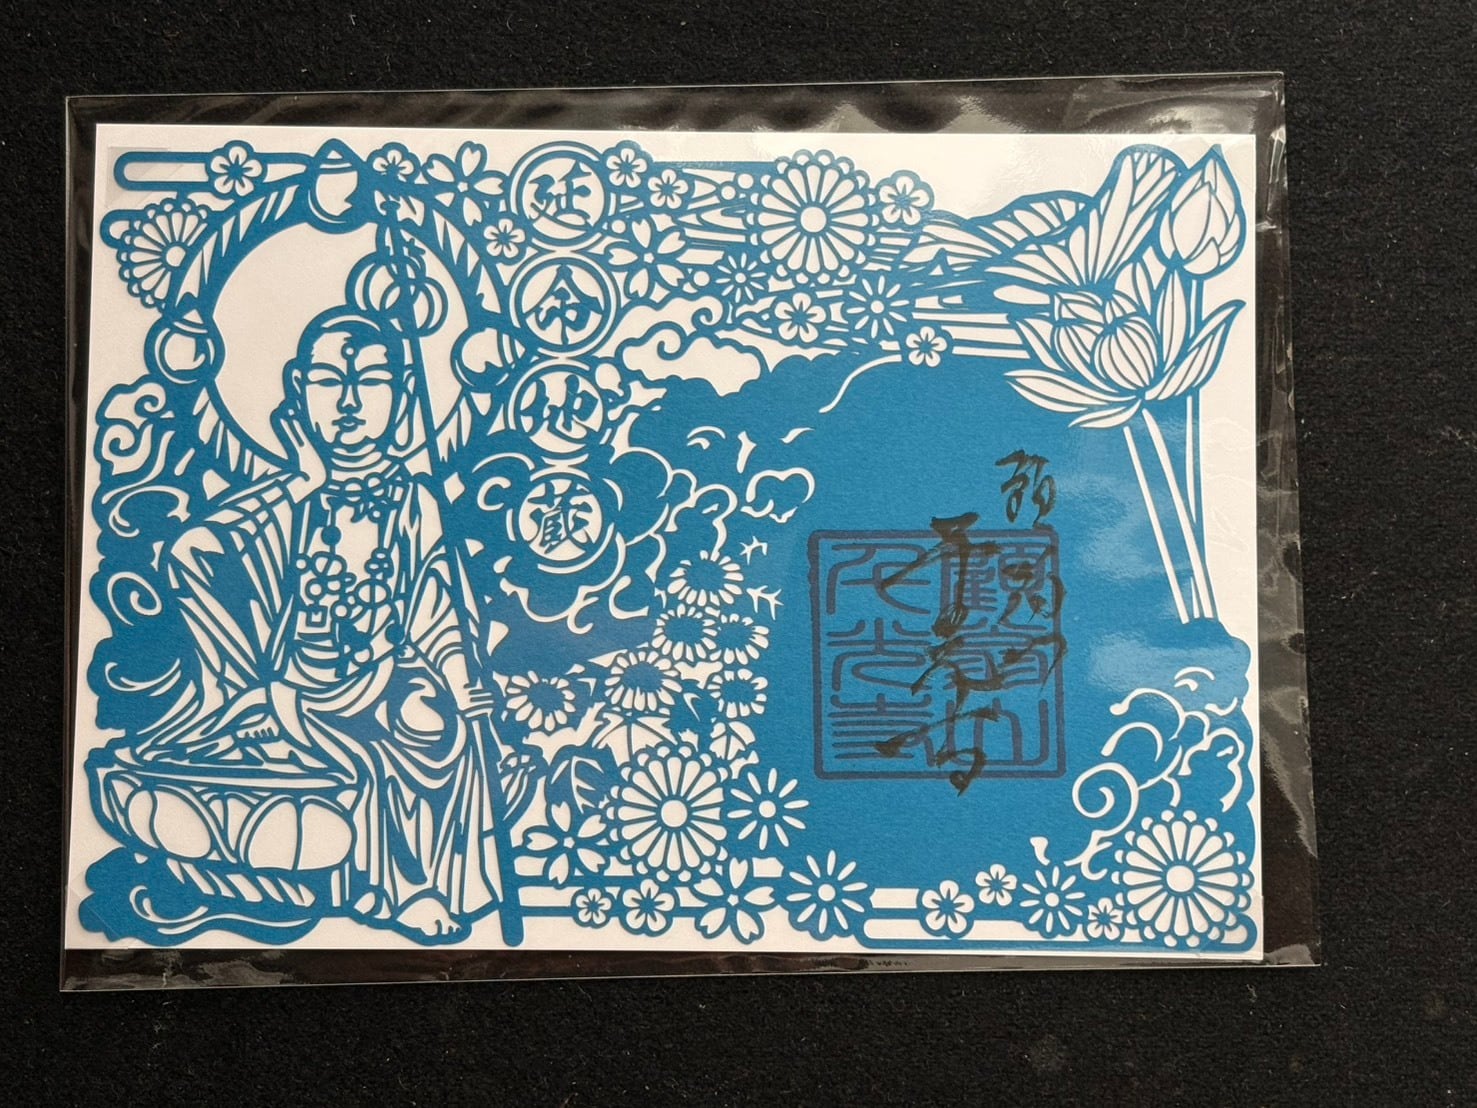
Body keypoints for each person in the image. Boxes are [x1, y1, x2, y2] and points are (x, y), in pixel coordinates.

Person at [159, 306, 499, 940]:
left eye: (370, 382)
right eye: (328, 382)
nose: (349, 403)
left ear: (403, 394)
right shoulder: (290, 499)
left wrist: (459, 680)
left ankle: (406, 879)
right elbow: (194, 554)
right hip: (297, 687)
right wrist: (300, 483)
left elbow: (439, 610)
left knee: (432, 723)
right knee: (360, 753)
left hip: (387, 682)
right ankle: (405, 889)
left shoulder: (414, 499)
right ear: (298, 389)